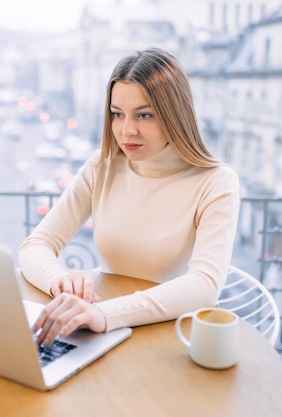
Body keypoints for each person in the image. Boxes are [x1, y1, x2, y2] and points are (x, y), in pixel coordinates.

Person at [19, 48, 240, 347]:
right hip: (100, 326)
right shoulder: (102, 167)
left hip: (169, 333)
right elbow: (36, 245)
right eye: (117, 114)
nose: (127, 131)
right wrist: (60, 283)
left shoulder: (216, 182)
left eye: (144, 115)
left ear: (176, 114)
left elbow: (204, 286)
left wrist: (103, 314)